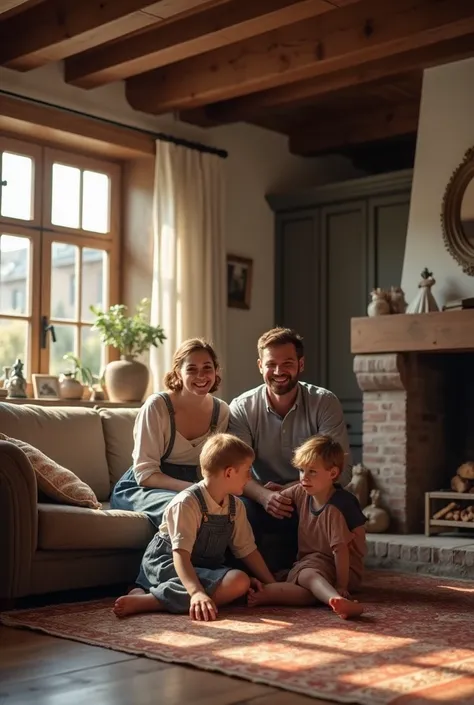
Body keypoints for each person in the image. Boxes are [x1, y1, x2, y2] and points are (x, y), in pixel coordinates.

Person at [228, 327, 351, 571]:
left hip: (310, 492)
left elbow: (340, 470)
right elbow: (235, 471)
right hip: (260, 494)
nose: (278, 371)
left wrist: (287, 492)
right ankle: (253, 575)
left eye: (287, 363)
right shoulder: (241, 408)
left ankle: (322, 570)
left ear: (301, 364)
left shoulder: (324, 402)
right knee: (237, 506)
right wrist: (265, 496)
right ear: (260, 366)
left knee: (341, 501)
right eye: (271, 364)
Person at [114, 433, 275, 620]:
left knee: (240, 582)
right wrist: (197, 592)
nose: (250, 478)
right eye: (247, 470)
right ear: (229, 472)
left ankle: (147, 593)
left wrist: (271, 584)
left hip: (202, 568)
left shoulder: (235, 506)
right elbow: (180, 556)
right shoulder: (187, 503)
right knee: (238, 581)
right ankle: (151, 601)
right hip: (169, 564)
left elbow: (247, 549)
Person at [110, 338, 229, 528]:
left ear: (216, 371)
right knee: (187, 507)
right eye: (191, 369)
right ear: (178, 373)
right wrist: (197, 490)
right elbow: (145, 474)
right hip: (143, 488)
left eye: (207, 368)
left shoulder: (221, 411)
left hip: (195, 487)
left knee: (237, 508)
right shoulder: (157, 406)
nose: (201, 375)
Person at [247, 435, 366, 620]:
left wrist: (342, 586)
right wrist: (269, 492)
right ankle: (274, 593)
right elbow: (279, 497)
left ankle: (334, 597)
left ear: (333, 474)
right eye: (301, 471)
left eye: (312, 472)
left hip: (342, 568)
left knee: (307, 576)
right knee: (310, 586)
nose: (304, 478)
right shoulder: (301, 491)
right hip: (315, 562)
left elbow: (341, 551)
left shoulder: (335, 508)